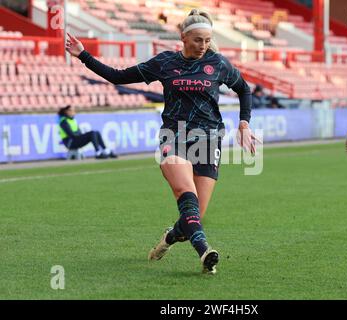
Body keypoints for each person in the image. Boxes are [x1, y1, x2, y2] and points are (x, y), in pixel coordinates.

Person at [65, 9, 257, 275]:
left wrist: (244, 124)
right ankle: (205, 253)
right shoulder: (165, 62)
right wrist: (83, 55)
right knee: (185, 194)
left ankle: (169, 238)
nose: (203, 46)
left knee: (193, 218)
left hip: (209, 139)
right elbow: (119, 76)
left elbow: (244, 89)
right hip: (174, 136)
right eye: (197, 40)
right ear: (183, 37)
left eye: (207, 40)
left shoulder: (218, 64)